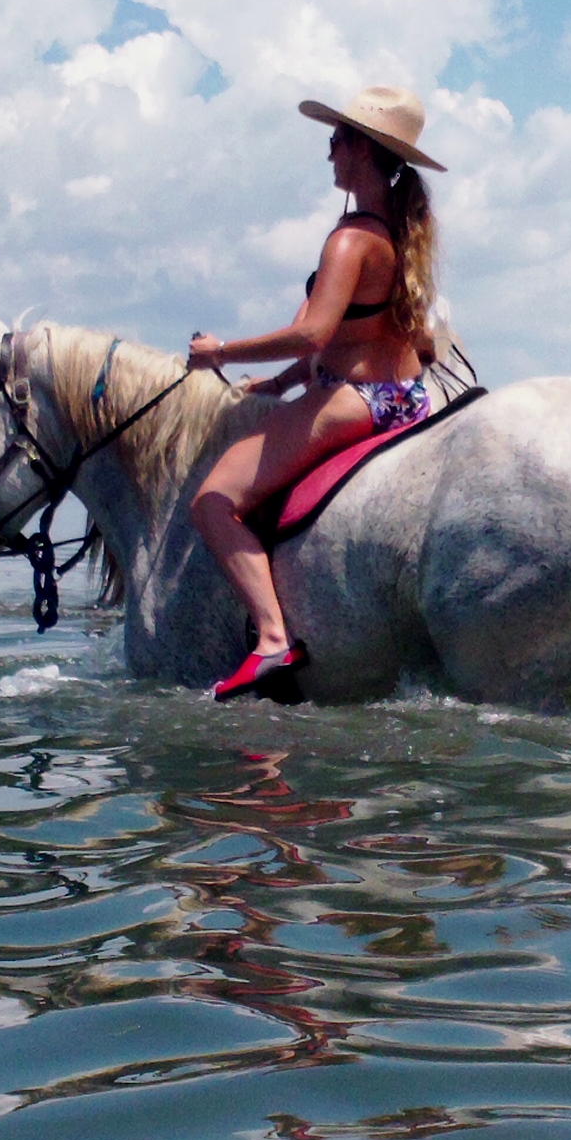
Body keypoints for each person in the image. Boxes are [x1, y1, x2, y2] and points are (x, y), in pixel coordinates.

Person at [186, 85, 444, 701]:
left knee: (212, 502)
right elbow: (369, 333)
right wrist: (281, 381)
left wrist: (219, 353)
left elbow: (314, 330)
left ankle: (272, 641)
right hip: (406, 397)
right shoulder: (396, 231)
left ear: (360, 147)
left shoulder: (350, 238)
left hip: (356, 402)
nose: (328, 153)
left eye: (336, 139)